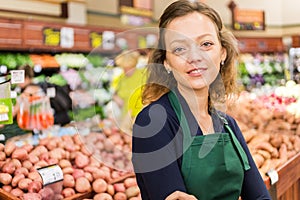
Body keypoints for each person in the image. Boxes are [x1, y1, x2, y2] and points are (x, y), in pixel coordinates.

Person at [131, 1, 271, 200]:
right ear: (166, 63)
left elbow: (259, 196)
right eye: (179, 48)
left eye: (206, 44)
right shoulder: (153, 123)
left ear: (222, 53)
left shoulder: (228, 125)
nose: (194, 57)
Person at [110, 50, 147, 132]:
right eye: (124, 68)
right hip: (125, 117)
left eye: (129, 68)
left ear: (134, 65)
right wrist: (116, 98)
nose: (126, 71)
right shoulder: (120, 78)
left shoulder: (143, 75)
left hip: (142, 117)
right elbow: (114, 93)